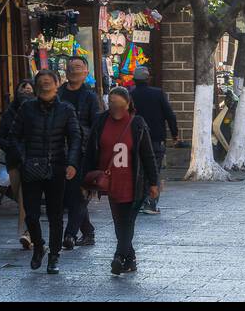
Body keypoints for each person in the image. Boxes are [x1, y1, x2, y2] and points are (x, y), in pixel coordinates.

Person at [8, 69, 80, 274]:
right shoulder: (26, 108)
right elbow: (14, 136)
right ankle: (38, 246)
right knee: (30, 215)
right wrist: (23, 159)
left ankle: (54, 256)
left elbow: (75, 137)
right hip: (31, 167)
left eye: (50, 81)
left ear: (58, 84)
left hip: (56, 167)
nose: (46, 84)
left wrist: (72, 163)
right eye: (42, 81)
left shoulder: (66, 109)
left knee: (55, 215)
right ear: (37, 85)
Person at [84, 87, 160, 275]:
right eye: (112, 105)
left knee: (128, 222)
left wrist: (153, 182)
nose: (115, 109)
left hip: (133, 182)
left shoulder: (137, 124)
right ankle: (130, 259)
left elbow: (148, 155)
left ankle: (119, 256)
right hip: (110, 183)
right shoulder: (101, 121)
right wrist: (85, 179)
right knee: (120, 223)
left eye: (119, 105)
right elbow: (91, 151)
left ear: (128, 104)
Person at [58, 54, 99, 248]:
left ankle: (70, 234)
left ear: (86, 72)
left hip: (82, 150)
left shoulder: (90, 97)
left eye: (78, 67)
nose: (74, 70)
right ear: (65, 71)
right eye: (71, 67)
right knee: (69, 194)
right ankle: (88, 231)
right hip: (60, 149)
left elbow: (96, 126)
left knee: (80, 192)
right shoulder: (58, 94)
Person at [129, 65, 179, 214]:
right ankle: (150, 203)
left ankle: (137, 201)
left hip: (134, 139)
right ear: (148, 78)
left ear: (134, 79)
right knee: (154, 170)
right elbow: (170, 115)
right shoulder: (158, 94)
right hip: (155, 139)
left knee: (138, 170)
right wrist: (175, 134)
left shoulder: (130, 95)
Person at [0, 79, 36, 249]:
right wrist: (12, 147)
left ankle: (27, 232)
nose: (26, 92)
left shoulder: (38, 111)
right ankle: (29, 232)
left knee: (25, 197)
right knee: (20, 196)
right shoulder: (9, 113)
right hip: (14, 160)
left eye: (29, 90)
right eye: (23, 89)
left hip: (33, 160)